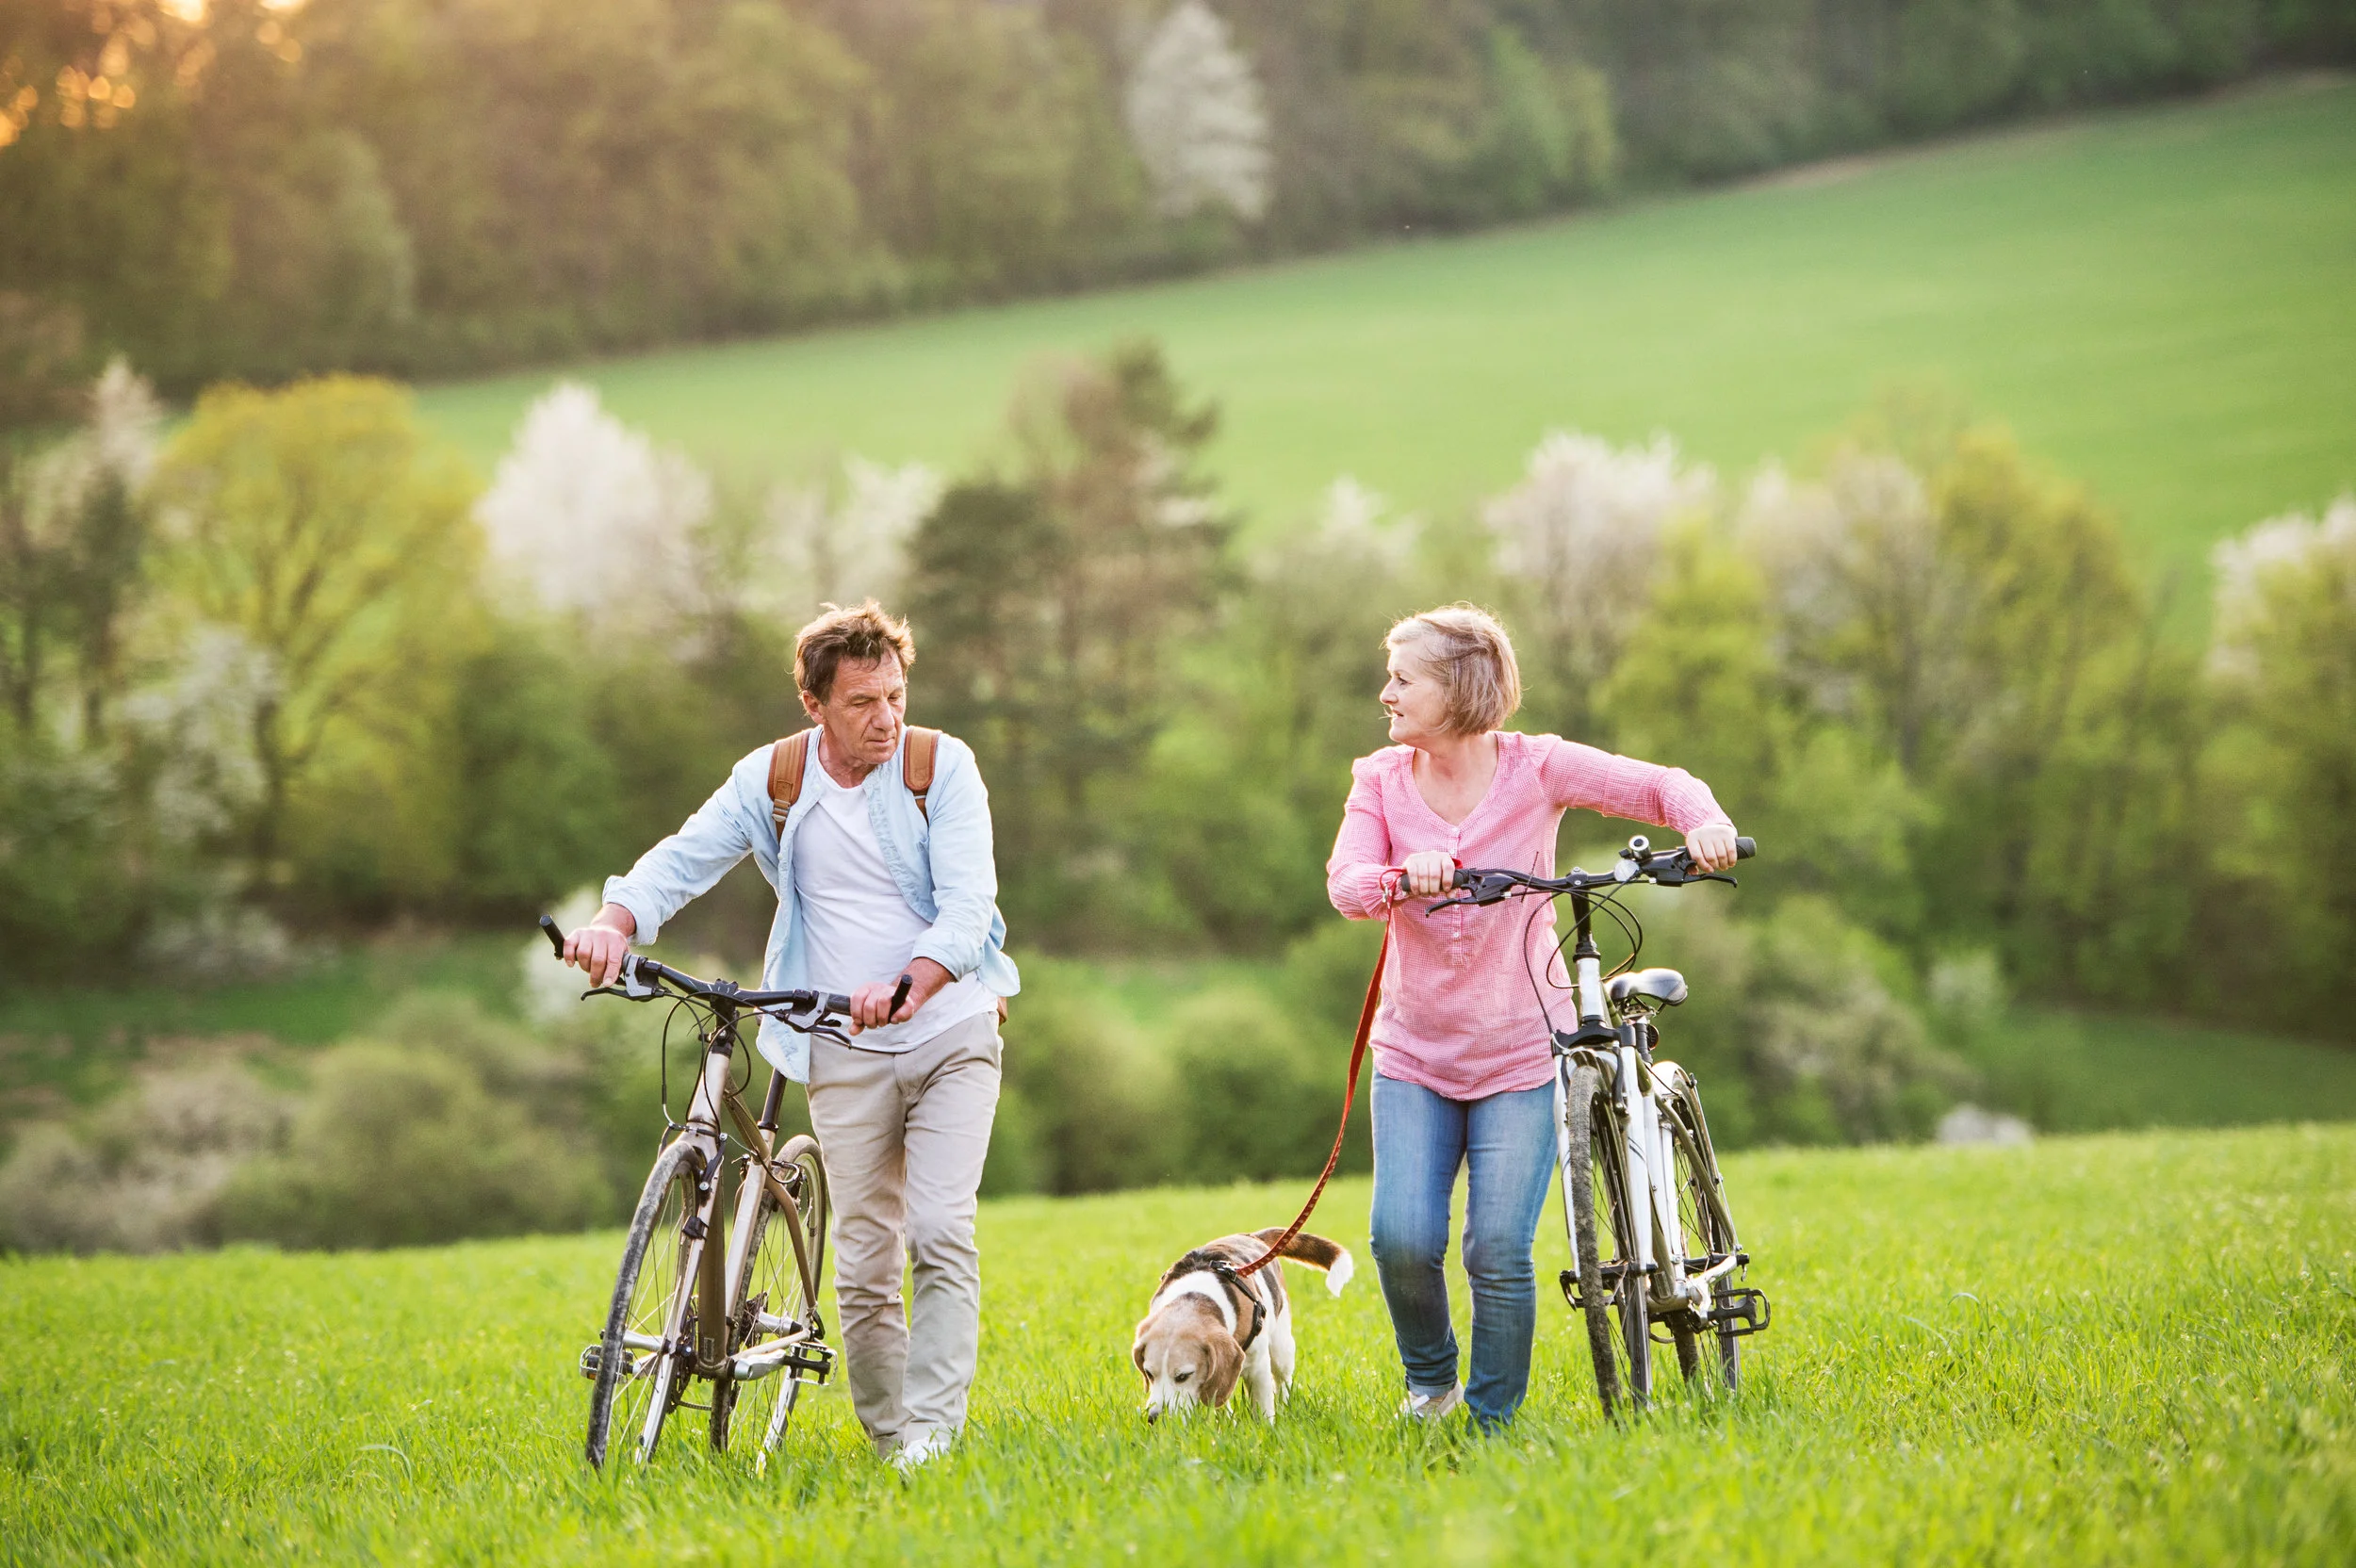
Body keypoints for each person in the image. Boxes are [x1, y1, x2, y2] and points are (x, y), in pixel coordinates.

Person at [564, 600, 1018, 1471]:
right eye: (862, 703)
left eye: (895, 694)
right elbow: (684, 857)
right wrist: (616, 921)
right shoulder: (773, 780)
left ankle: (933, 1434)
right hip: (841, 1042)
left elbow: (969, 909)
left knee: (938, 1229)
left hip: (949, 1031)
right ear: (815, 706)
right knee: (863, 1258)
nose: (886, 717)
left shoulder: (940, 767)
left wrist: (911, 983)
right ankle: (894, 1444)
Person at [1324, 603, 1740, 1430]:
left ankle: (1490, 1424)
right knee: (1402, 1239)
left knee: (1496, 1251)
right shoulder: (1378, 779)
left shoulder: (1536, 767)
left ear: (1459, 688)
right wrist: (1406, 876)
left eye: (1403, 679)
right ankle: (1431, 1386)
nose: (1386, 692)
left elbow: (1657, 784)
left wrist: (1706, 822)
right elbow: (1346, 884)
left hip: (1520, 1047)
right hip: (1415, 1050)